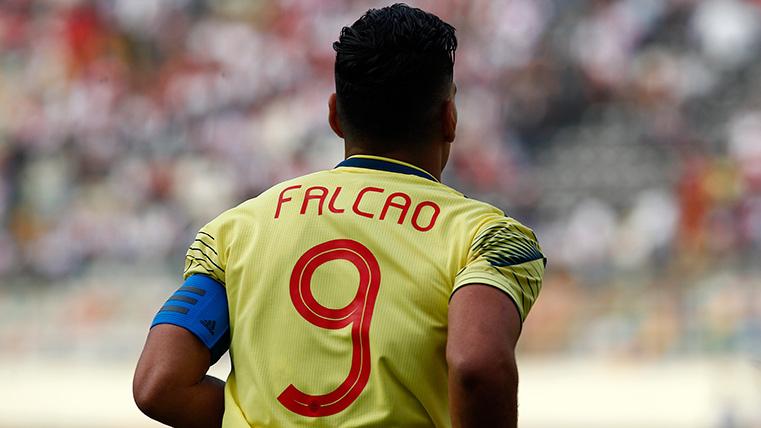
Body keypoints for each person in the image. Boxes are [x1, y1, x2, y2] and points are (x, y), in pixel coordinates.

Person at [133, 4, 545, 427]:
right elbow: (477, 366)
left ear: (334, 116)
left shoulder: (235, 230)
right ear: (449, 118)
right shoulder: (491, 237)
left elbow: (158, 385)